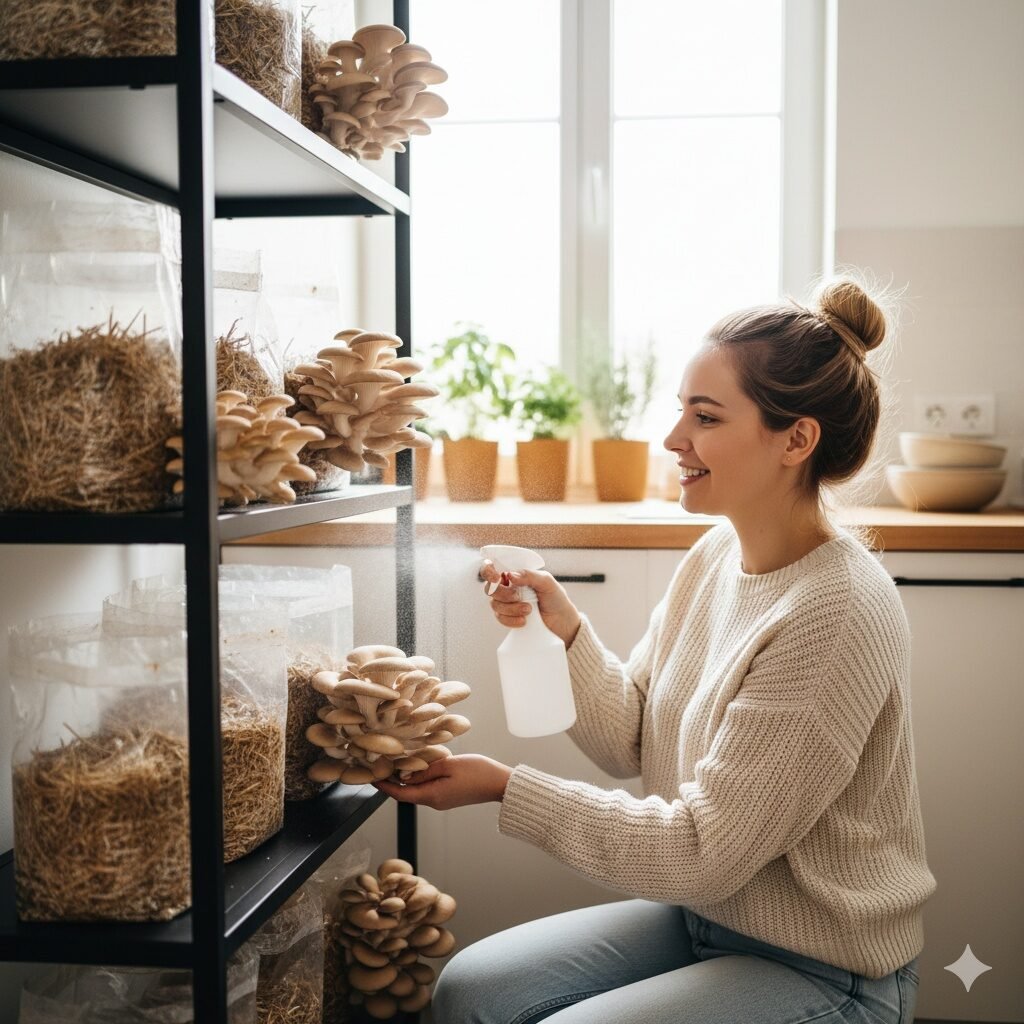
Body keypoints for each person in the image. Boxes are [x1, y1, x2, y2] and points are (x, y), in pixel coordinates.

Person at [373, 277, 936, 1024]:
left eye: (705, 416)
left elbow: (703, 852)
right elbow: (630, 739)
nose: (674, 439)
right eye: (680, 410)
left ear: (796, 440)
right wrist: (565, 629)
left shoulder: (836, 612)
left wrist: (505, 788)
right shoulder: (716, 555)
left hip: (827, 967)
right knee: (471, 990)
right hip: (707, 917)